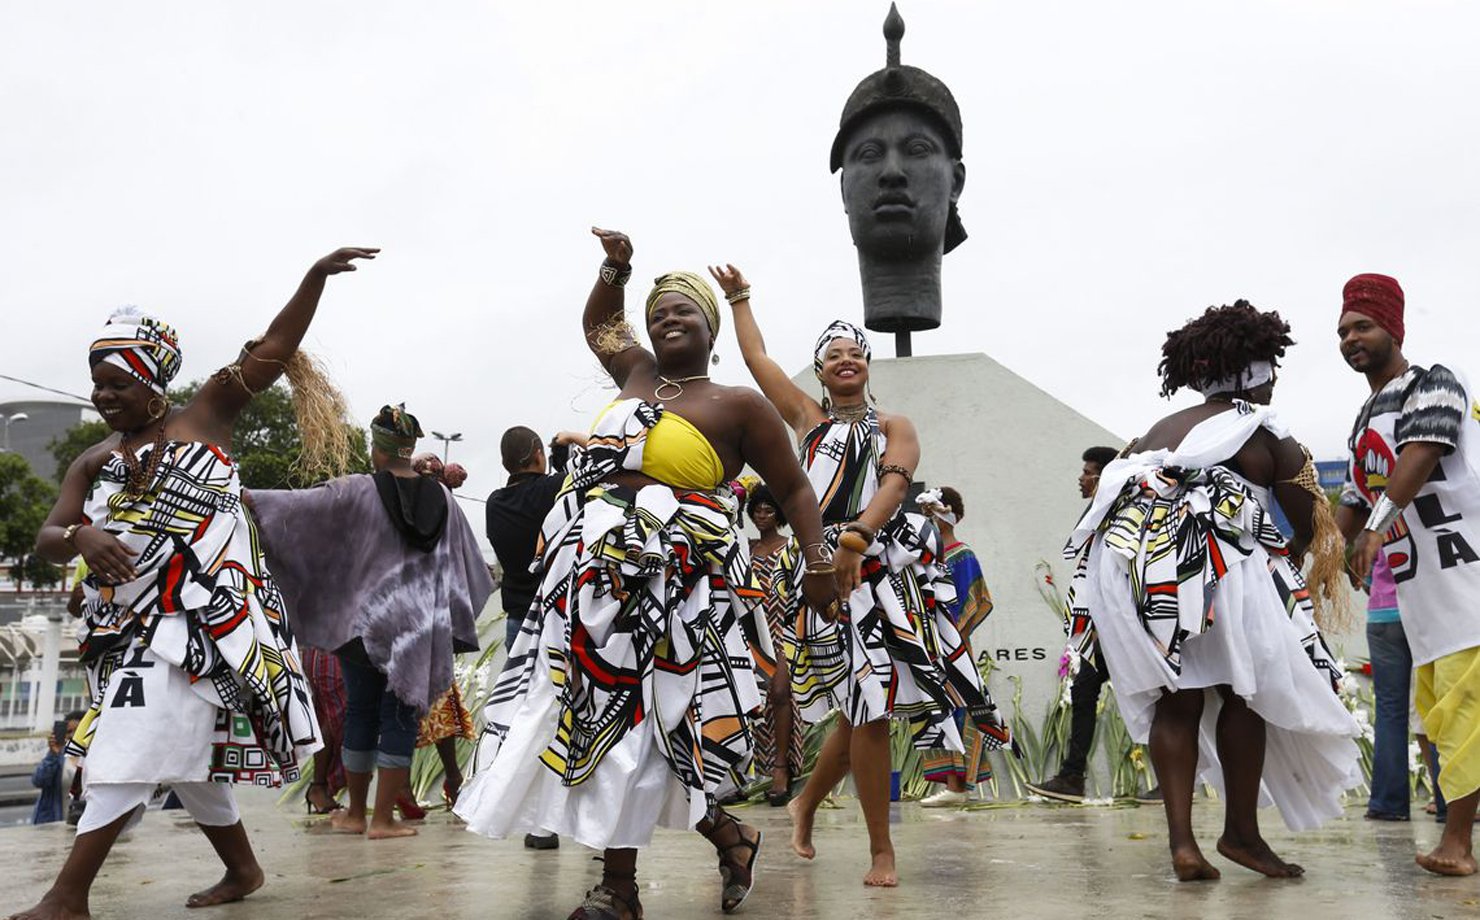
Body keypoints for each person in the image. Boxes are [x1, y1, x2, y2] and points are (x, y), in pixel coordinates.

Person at [454, 228, 837, 920]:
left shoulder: (737, 404)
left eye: (684, 309)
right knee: (608, 725)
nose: (668, 317)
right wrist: (617, 268)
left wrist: (820, 566)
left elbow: (799, 490)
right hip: (595, 583)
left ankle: (622, 890)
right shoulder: (634, 377)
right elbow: (601, 324)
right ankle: (725, 837)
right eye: (659, 310)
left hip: (677, 590)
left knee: (645, 728)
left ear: (710, 328)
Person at [17, 247, 371, 920]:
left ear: (153, 382)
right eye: (96, 384)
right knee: (177, 753)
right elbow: (47, 535)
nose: (103, 395)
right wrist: (80, 537)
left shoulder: (202, 417)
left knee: (133, 741)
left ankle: (67, 898)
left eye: (118, 382)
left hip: (205, 624)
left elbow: (271, 349)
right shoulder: (93, 461)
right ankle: (243, 869)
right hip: (124, 633)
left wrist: (314, 279)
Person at [721, 271, 1011, 888]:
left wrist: (858, 536)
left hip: (884, 575)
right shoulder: (804, 421)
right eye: (833, 355)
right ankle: (882, 850)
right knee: (868, 708)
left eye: (856, 352)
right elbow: (755, 358)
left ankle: (803, 806)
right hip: (829, 580)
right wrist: (741, 299)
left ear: (868, 366)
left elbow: (895, 484)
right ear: (820, 373)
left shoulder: (894, 426)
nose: (846, 359)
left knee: (863, 710)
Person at [1064, 302, 1361, 882]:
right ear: (1253, 370)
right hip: (1219, 572)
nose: (1274, 380)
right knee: (1243, 694)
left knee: (1178, 700)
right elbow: (1310, 522)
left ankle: (1184, 844)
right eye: (1271, 367)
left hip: (1137, 577)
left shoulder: (1154, 433)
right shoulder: (1264, 428)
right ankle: (1241, 834)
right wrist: (1291, 570)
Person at [250, 403, 490, 840]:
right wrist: (447, 621)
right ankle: (384, 820)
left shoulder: (356, 491)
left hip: (362, 627)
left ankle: (358, 813)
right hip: (416, 632)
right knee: (399, 716)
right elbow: (469, 565)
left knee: (361, 711)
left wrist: (248, 497)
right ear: (411, 448)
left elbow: (300, 511)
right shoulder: (444, 500)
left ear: (377, 450)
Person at [1339, 272, 1480, 875]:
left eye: (1363, 326)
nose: (1350, 338)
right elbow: (1352, 491)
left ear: (1394, 327)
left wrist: (1374, 527)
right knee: (1435, 719)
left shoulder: (1435, 384)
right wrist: (1322, 555)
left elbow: (1422, 452)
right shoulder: (1366, 413)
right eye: (1343, 330)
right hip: (1423, 596)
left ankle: (1458, 845)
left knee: (1466, 711)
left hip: (1467, 581)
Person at [1029, 447, 1164, 803]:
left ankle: (1173, 779)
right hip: (1105, 628)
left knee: (1159, 696)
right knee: (1086, 688)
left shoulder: (1128, 515)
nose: (1081, 478)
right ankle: (1072, 778)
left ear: (1106, 477)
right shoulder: (1102, 514)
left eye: (1088, 472)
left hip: (1129, 625)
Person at [917, 487, 997, 806]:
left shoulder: (962, 555)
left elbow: (974, 599)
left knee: (959, 708)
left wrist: (956, 641)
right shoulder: (924, 556)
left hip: (954, 643)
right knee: (938, 708)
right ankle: (951, 782)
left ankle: (959, 786)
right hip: (929, 642)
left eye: (934, 511)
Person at [744, 483, 804, 807]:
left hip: (782, 631)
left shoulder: (790, 548)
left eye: (768, 508)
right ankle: (748, 771)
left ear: (779, 512)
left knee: (780, 693)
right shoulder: (746, 550)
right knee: (749, 702)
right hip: (750, 634)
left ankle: (782, 767)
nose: (762, 514)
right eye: (757, 508)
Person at [30, 712, 83, 825]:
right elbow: (38, 781)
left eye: (78, 730)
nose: (72, 735)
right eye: (69, 731)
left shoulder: (93, 757)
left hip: (83, 823)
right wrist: (52, 754)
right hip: (54, 822)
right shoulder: (58, 756)